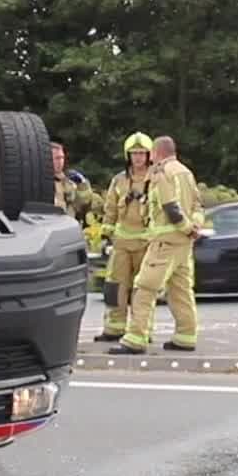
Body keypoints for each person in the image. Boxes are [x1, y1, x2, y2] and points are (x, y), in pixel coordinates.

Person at [111, 135, 203, 354]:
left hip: (165, 243)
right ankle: (185, 337)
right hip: (183, 246)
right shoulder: (186, 172)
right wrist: (195, 227)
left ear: (156, 153)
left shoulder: (162, 173)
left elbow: (170, 207)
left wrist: (186, 228)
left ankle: (135, 339)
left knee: (144, 288)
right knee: (181, 291)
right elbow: (197, 205)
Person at [92, 132, 155, 343]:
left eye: (142, 153)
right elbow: (110, 209)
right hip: (121, 244)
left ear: (149, 155)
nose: (138, 157)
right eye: (134, 153)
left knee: (142, 290)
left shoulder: (156, 179)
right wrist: (105, 235)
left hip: (146, 243)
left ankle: (142, 331)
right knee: (115, 287)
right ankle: (114, 328)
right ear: (128, 155)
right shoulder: (119, 181)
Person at [52, 142, 97, 223]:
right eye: (57, 158)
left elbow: (81, 206)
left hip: (68, 226)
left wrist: (82, 185)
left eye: (62, 158)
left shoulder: (69, 181)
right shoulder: (39, 181)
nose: (61, 161)